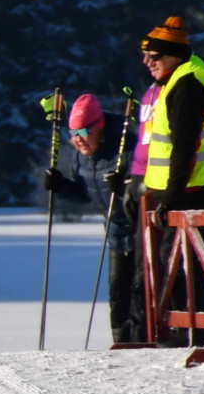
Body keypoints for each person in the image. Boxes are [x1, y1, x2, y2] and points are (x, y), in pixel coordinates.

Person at [138, 17, 204, 346]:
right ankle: (189, 331)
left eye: (155, 56)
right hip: (190, 186)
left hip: (194, 188)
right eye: (145, 55)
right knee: (181, 259)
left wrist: (170, 196)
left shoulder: (187, 84)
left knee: (180, 259)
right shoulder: (183, 73)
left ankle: (194, 334)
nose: (148, 62)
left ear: (175, 56)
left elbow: (184, 147)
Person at [42, 93, 139, 343]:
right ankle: (122, 344)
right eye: (73, 132)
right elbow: (86, 194)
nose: (78, 139)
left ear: (99, 126)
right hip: (116, 232)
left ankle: (143, 345)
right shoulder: (81, 155)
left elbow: (148, 190)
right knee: (118, 294)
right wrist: (61, 186)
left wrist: (127, 187)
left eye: (84, 131)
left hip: (142, 233)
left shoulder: (127, 147)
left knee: (140, 294)